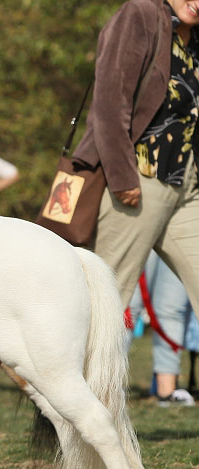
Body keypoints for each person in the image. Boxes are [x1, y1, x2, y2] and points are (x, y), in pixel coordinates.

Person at [77, 0, 199, 407]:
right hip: (138, 183)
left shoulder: (194, 38)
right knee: (109, 300)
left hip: (187, 187)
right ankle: (83, 408)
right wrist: (122, 175)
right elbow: (110, 102)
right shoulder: (141, 16)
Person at [128, 251, 196, 406]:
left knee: (171, 310)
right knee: (126, 306)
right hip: (136, 228)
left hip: (178, 228)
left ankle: (167, 392)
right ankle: (106, 386)